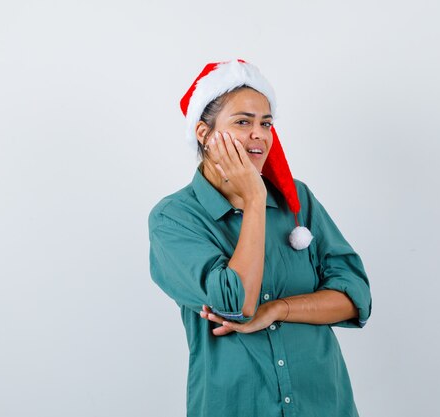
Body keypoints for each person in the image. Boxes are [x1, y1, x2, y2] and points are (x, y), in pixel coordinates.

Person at [148, 59, 372, 417]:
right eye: (243, 122)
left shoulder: (297, 201)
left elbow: (355, 296)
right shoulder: (174, 218)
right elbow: (236, 303)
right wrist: (254, 199)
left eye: (265, 123)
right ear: (204, 133)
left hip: (323, 404)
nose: (259, 134)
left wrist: (278, 310)